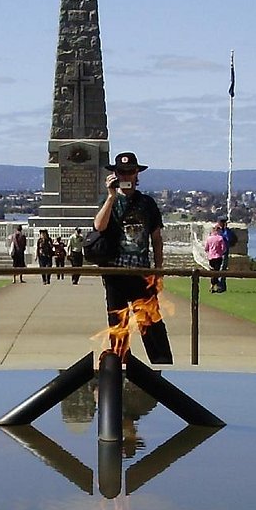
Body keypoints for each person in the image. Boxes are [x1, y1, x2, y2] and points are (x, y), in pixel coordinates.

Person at [91, 150, 173, 364]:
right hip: (115, 272)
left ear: (137, 174)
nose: (126, 176)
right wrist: (110, 196)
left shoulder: (147, 204)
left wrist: (158, 270)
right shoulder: (108, 200)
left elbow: (156, 239)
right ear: (115, 175)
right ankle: (119, 365)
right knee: (118, 325)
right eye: (122, 172)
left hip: (140, 272)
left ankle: (162, 365)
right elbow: (99, 225)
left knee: (151, 324)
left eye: (130, 172)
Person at [204, 219, 227, 293]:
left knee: (212, 272)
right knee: (216, 272)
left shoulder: (209, 238)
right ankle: (214, 285)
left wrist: (209, 252)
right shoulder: (220, 238)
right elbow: (224, 248)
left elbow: (206, 248)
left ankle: (212, 285)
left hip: (211, 257)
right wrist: (221, 253)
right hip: (218, 257)